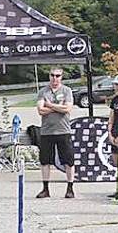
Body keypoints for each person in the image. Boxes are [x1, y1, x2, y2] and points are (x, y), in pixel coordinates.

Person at [36, 67, 76, 198]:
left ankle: (70, 188)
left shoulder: (66, 91)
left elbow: (67, 109)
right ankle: (45, 188)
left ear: (61, 77)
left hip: (63, 130)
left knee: (68, 161)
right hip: (47, 131)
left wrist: (50, 105)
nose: (55, 78)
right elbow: (41, 110)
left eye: (58, 76)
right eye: (52, 75)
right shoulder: (43, 91)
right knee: (45, 161)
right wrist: (58, 107)